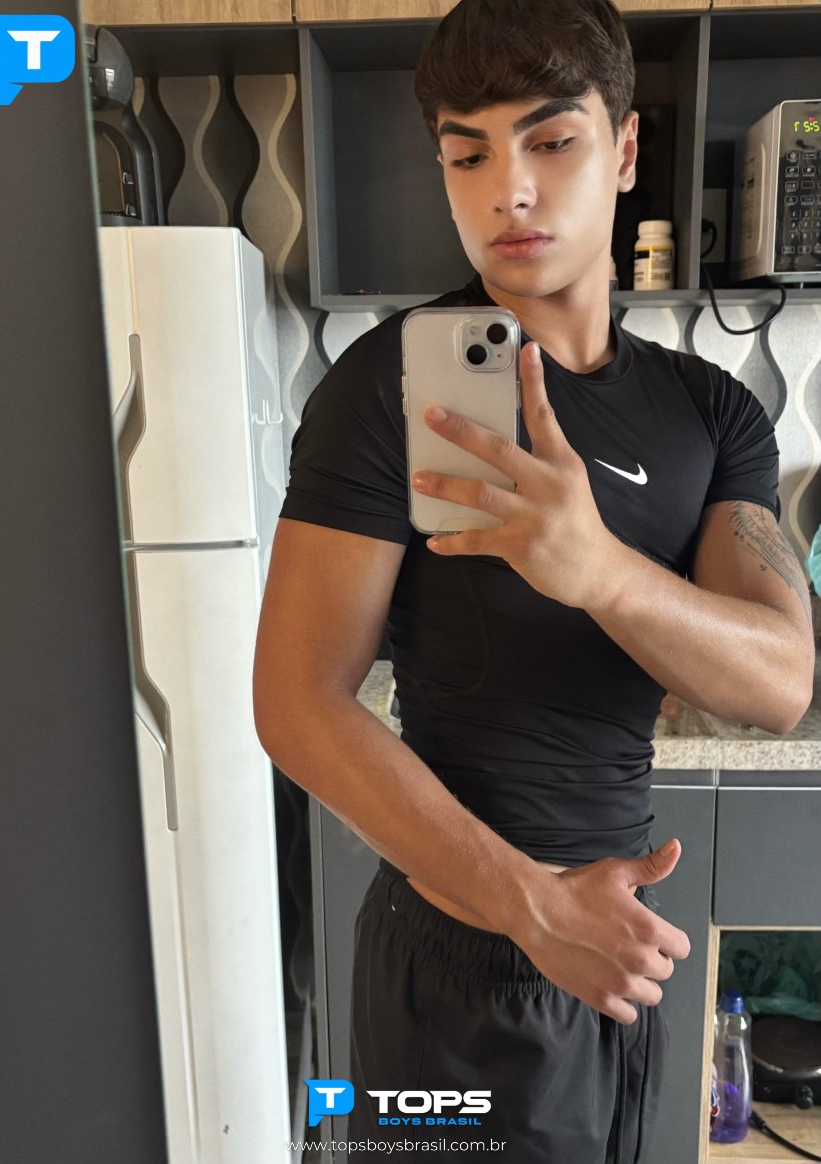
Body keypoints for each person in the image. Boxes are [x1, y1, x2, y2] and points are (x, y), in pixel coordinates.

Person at [253, 1, 815, 1159]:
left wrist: (595, 567)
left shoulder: (712, 412)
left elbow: (776, 684)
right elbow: (297, 701)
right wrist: (529, 907)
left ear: (624, 149)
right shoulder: (387, 391)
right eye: (466, 155)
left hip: (612, 944)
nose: (506, 191)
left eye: (550, 141)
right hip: (456, 956)